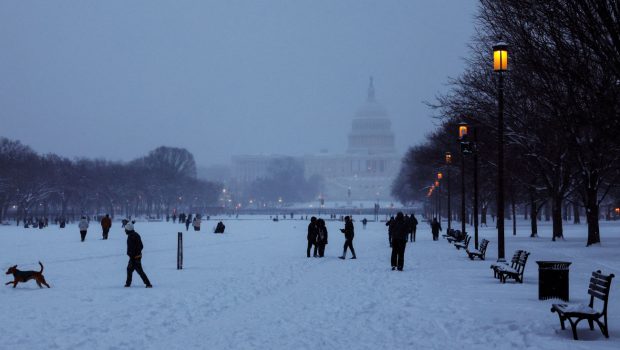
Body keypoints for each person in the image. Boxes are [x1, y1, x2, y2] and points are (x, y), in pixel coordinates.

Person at [124, 222, 152, 288]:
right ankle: (128, 283)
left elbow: (136, 247)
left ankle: (148, 284)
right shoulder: (135, 234)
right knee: (129, 269)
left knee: (139, 271)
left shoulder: (132, 236)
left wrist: (133, 255)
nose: (125, 231)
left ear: (128, 230)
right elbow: (141, 246)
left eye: (125, 230)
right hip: (135, 256)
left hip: (135, 257)